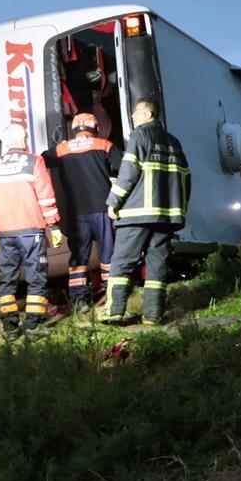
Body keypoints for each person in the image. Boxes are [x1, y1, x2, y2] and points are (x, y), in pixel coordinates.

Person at [102, 98, 191, 325]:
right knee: (157, 264)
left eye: (137, 113)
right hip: (166, 216)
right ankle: (152, 315)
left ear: (149, 115)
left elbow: (129, 171)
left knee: (123, 261)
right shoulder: (174, 143)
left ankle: (114, 312)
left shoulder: (140, 136)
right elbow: (186, 178)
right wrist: (179, 210)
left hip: (136, 213)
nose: (133, 117)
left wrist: (114, 201)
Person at [0, 125, 60, 337]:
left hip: (4, 233)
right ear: (24, 140)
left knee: (7, 280)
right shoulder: (33, 161)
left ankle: (10, 327)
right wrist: (53, 226)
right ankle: (33, 325)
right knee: (36, 277)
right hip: (30, 231)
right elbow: (46, 196)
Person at [47, 113, 122, 314]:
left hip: (76, 213)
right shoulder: (104, 145)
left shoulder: (61, 149)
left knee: (79, 258)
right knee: (107, 255)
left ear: (74, 129)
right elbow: (123, 168)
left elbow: (42, 161)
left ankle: (79, 301)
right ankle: (112, 296)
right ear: (95, 128)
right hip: (102, 208)